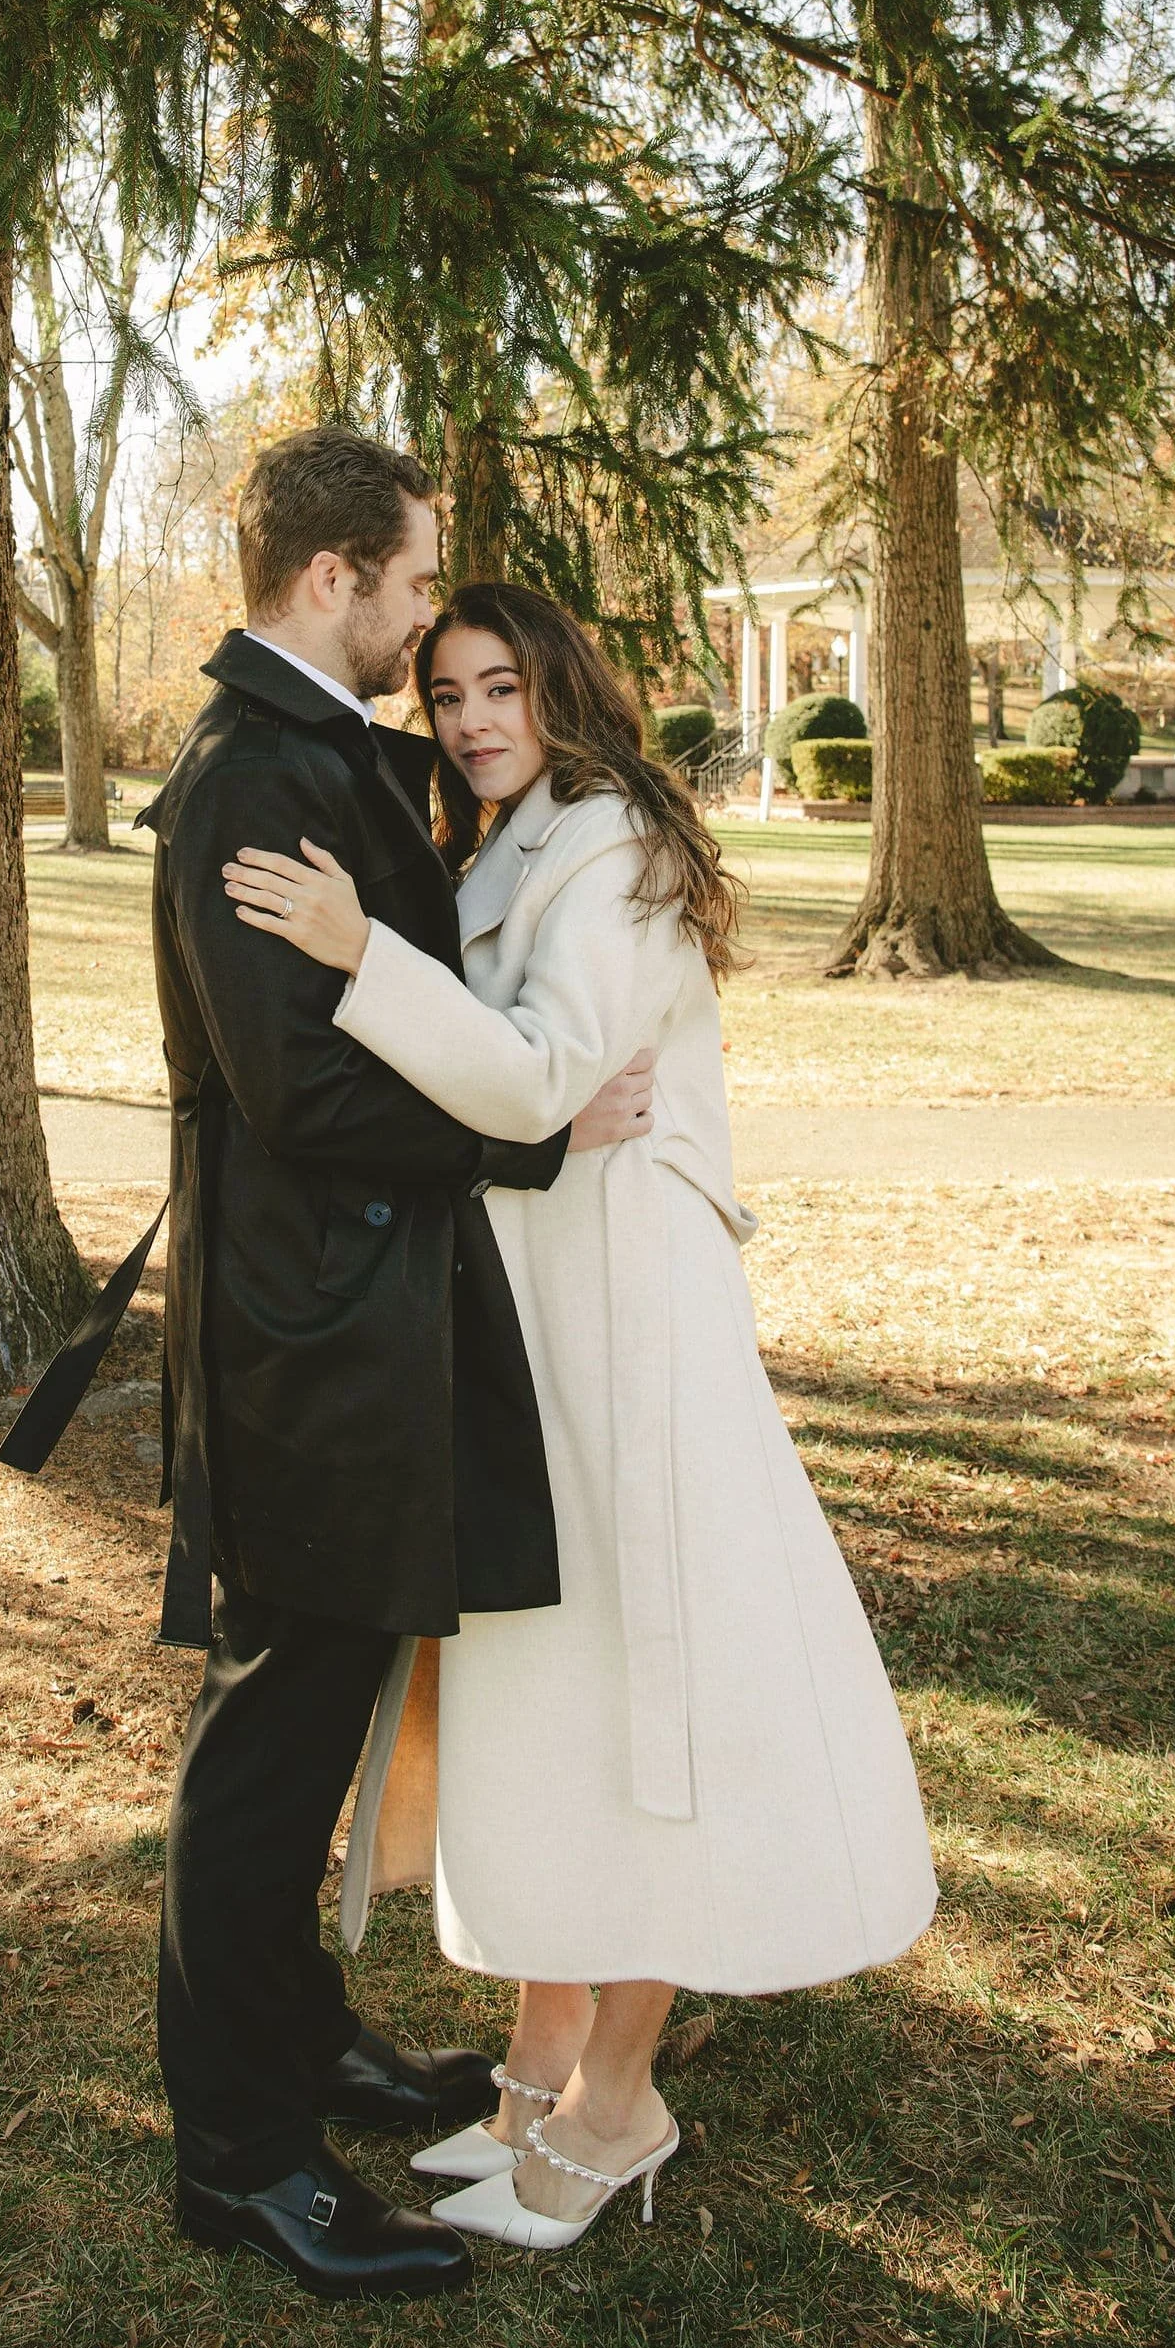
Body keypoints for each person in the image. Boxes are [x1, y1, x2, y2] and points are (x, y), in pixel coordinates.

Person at [222, 580, 939, 2254]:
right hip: (540, 1307)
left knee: (654, 1689)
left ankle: (622, 2095)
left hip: (634, 1317)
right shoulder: (503, 839)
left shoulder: (607, 843)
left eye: (503, 687)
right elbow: (506, 1087)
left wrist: (360, 958)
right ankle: (541, 2066)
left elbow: (539, 1076)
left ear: (564, 690)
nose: (473, 719)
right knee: (558, 1683)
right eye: (449, 692)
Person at [141, 439, 656, 2301]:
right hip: (304, 1337)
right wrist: (536, 1132)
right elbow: (308, 1087)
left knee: (325, 1704)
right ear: (337, 574)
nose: (431, 611)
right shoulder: (255, 776)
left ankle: (308, 2047)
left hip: (356, 1321)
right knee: (273, 1741)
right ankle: (245, 2159)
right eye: (416, 579)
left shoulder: (319, 750)